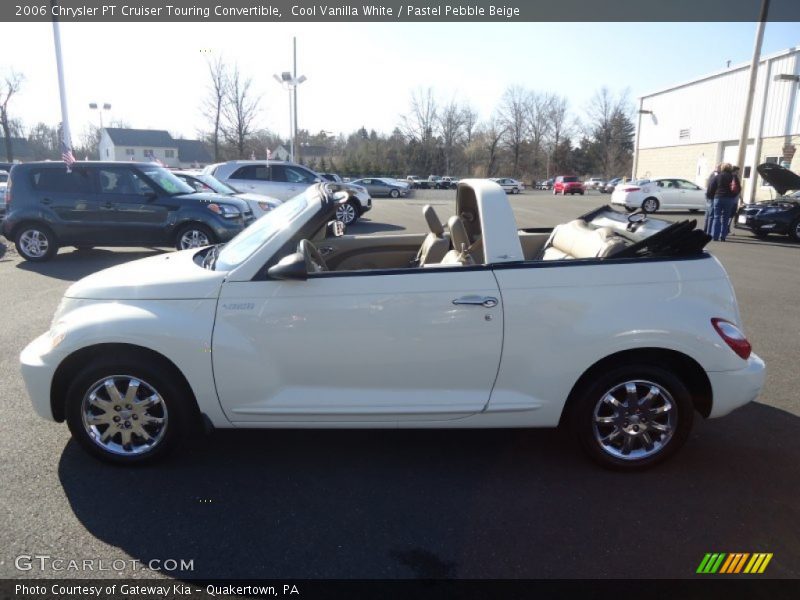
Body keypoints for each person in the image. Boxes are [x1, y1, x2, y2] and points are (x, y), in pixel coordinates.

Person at [708, 163, 740, 241]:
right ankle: (723, 236)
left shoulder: (717, 177)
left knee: (717, 217)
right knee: (726, 218)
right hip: (729, 199)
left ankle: (715, 236)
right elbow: (738, 188)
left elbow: (711, 188)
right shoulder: (733, 177)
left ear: (722, 168)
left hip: (718, 198)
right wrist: (733, 196)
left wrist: (711, 196)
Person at [703, 163, 722, 234]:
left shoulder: (712, 174)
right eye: (720, 168)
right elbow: (711, 186)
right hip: (712, 196)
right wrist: (709, 195)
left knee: (708, 214)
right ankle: (708, 231)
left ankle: (706, 229)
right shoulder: (716, 175)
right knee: (711, 215)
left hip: (710, 196)